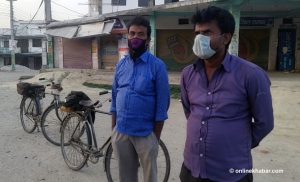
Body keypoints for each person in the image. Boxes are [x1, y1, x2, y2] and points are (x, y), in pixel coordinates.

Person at [180, 6, 274, 182]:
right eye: (197, 33)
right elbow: (190, 111)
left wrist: (238, 143)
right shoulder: (188, 74)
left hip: (231, 173)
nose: (199, 38)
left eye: (207, 32)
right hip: (192, 169)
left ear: (226, 37)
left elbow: (265, 123)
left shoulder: (251, 75)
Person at [110, 16, 170, 182]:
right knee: (126, 177)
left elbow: (162, 106)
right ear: (127, 37)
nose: (135, 37)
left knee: (150, 178)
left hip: (145, 134)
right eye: (132, 33)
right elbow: (114, 97)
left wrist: (154, 139)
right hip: (121, 132)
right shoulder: (121, 65)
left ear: (148, 39)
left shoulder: (157, 66)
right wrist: (114, 129)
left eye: (141, 34)